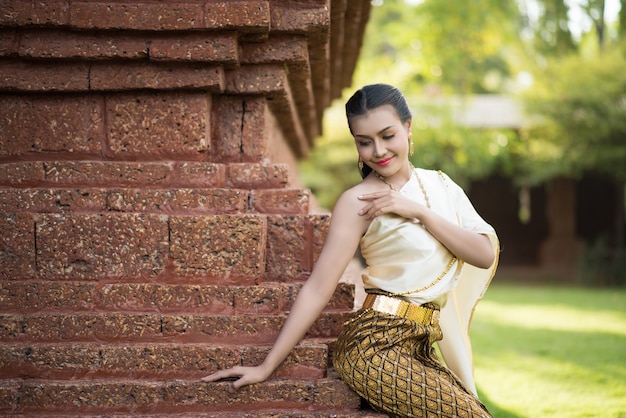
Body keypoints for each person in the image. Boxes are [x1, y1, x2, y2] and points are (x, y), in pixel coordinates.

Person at [202, 83, 499, 417]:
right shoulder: (357, 202)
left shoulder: (441, 186)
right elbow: (318, 288)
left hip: (420, 342)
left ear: (408, 127)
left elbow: (483, 253)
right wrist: (266, 366)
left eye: (388, 135)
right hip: (373, 346)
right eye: (364, 142)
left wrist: (419, 212)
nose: (378, 151)